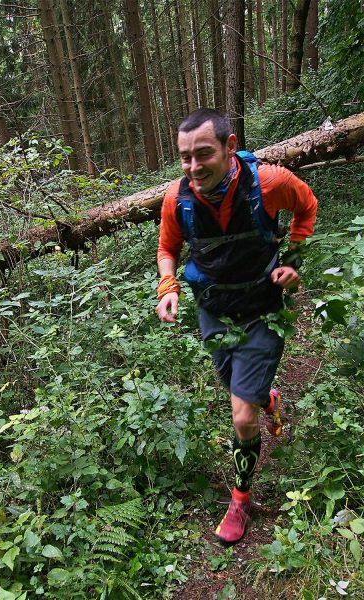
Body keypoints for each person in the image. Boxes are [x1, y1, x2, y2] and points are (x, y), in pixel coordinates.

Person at [155, 108, 317, 544]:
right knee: (238, 388)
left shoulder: (270, 183)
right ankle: (268, 396)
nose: (193, 166)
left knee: (240, 414)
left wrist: (292, 261)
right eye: (185, 157)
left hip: (264, 308)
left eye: (203, 153)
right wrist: (167, 284)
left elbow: (307, 209)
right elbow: (167, 247)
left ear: (229, 147)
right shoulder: (178, 199)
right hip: (214, 312)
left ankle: (240, 499)